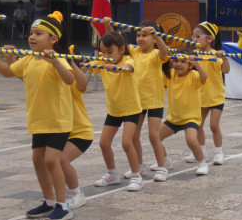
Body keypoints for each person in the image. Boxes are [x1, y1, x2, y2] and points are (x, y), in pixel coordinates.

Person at [0, 11, 74, 219]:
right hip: (38, 120)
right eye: (31, 33)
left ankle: (63, 205)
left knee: (52, 160)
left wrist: (55, 62)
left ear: (53, 39)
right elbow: (8, 71)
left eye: (38, 33)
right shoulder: (29, 59)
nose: (32, 37)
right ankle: (49, 202)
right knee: (38, 160)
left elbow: (69, 80)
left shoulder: (58, 59)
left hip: (58, 120)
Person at [71, 31, 143, 192]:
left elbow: (127, 68)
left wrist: (115, 68)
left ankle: (137, 175)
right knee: (103, 143)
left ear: (122, 49)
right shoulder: (102, 61)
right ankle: (112, 175)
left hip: (131, 109)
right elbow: (84, 67)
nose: (106, 55)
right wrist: (72, 60)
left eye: (110, 52)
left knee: (126, 142)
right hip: (114, 109)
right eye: (103, 52)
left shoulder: (128, 60)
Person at [103, 18, 170, 179]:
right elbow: (114, 42)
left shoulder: (155, 54)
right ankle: (138, 166)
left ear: (153, 38)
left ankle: (162, 166)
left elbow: (163, 52)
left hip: (154, 101)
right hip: (137, 102)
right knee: (134, 136)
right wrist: (107, 25)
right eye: (138, 35)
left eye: (144, 35)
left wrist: (158, 36)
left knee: (154, 135)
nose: (140, 38)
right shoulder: (133, 51)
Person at [159, 48, 210, 178]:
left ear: (190, 65)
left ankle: (202, 163)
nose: (178, 64)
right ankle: (165, 161)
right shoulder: (170, 74)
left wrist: (197, 63)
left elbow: (204, 76)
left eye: (182, 62)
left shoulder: (193, 76)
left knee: (191, 140)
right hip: (173, 118)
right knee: (155, 138)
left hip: (190, 118)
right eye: (175, 61)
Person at [187, 22, 230, 165]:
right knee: (197, 125)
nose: (195, 40)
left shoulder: (215, 55)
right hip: (201, 96)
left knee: (213, 125)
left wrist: (223, 57)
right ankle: (201, 151)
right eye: (193, 36)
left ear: (209, 39)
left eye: (198, 36)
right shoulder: (194, 55)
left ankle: (219, 152)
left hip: (216, 96)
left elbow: (226, 70)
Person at [61, 45, 94, 209]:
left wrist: (70, 61)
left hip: (80, 133)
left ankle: (77, 193)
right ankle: (61, 194)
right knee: (50, 161)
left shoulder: (72, 82)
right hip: (60, 132)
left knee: (62, 159)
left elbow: (82, 82)